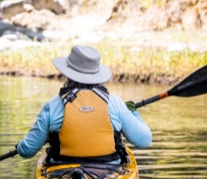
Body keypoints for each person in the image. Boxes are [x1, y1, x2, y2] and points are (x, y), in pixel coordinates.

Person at [16, 45, 152, 163]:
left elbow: (27, 150)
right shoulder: (115, 103)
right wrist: (133, 112)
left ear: (68, 75)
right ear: (97, 75)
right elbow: (144, 140)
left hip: (61, 171)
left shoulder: (52, 106)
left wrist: (19, 146)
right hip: (108, 173)